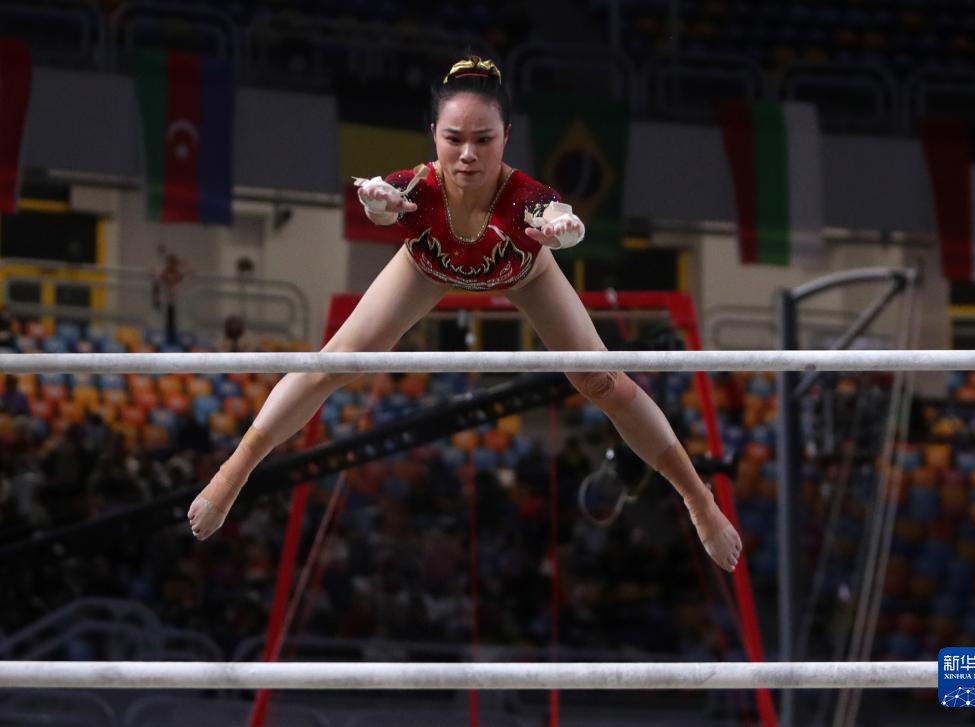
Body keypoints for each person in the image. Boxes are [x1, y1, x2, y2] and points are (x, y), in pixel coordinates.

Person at [188, 56, 742, 572]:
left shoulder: (523, 196)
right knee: (333, 364)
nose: (468, 154)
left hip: (527, 276)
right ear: (434, 134)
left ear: (507, 137)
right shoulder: (415, 186)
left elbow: (553, 215)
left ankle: (698, 498)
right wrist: (378, 206)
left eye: (484, 139)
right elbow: (382, 205)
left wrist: (562, 229)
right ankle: (234, 472)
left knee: (602, 382)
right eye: (454, 139)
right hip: (426, 270)